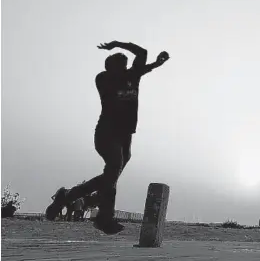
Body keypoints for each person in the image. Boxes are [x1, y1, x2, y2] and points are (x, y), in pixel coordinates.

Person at [45, 41, 170, 234]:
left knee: (110, 177)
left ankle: (67, 196)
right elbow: (140, 64)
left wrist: (152, 62)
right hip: (106, 133)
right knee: (112, 169)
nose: (126, 67)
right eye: (121, 64)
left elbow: (142, 52)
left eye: (126, 64)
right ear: (111, 68)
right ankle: (104, 217)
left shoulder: (131, 76)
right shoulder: (103, 79)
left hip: (125, 135)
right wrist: (148, 64)